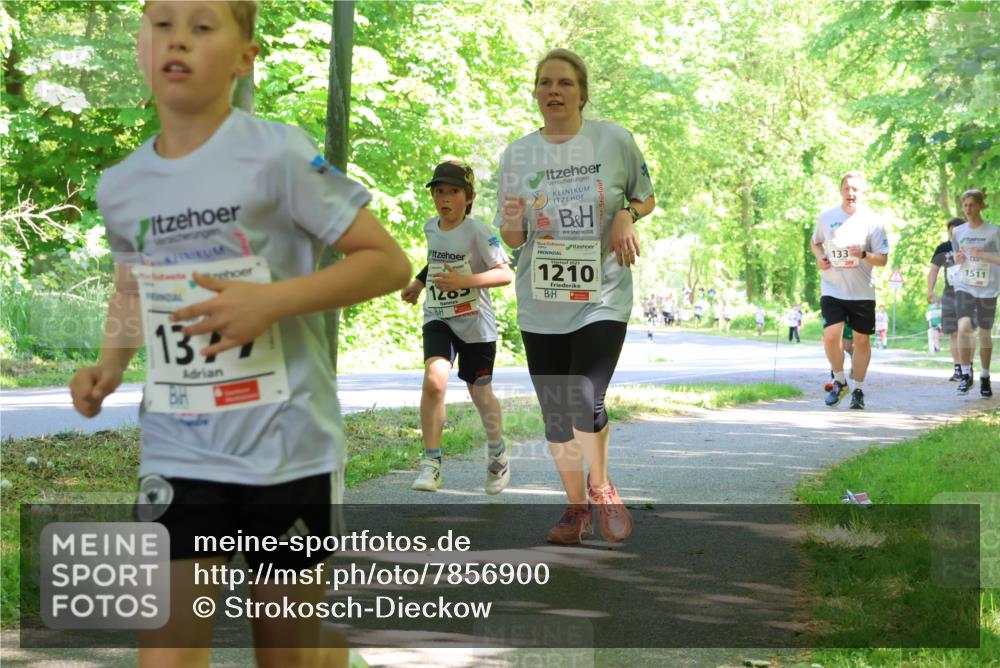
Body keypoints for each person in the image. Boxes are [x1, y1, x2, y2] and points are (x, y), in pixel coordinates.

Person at [68, 2, 410, 665]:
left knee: (286, 655)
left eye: (202, 27)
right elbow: (132, 285)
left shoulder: (279, 154)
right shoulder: (121, 186)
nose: (178, 40)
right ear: (140, 46)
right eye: (162, 24)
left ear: (245, 58)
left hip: (287, 448)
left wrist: (271, 302)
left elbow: (387, 262)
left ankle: (328, 654)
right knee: (165, 657)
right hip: (178, 450)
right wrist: (110, 365)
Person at [496, 48, 655, 544]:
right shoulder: (518, 155)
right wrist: (514, 219)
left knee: (584, 396)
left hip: (602, 293)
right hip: (541, 298)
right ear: (535, 93)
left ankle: (601, 486)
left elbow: (645, 195)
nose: (554, 91)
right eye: (545, 83)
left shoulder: (614, 141)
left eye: (565, 83)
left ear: (582, 94)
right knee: (556, 411)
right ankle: (575, 509)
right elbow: (512, 238)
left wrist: (627, 214)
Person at [400, 161, 513, 493]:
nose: (444, 198)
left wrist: (465, 281)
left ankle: (498, 454)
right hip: (439, 316)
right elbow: (437, 259)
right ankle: (431, 463)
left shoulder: (480, 232)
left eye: (453, 192)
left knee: (480, 393)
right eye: (439, 191)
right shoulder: (430, 227)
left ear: (469, 197)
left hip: (476, 323)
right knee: (435, 380)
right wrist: (419, 282)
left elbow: (505, 274)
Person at [811, 171, 889, 410]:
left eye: (855, 189)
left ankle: (858, 390)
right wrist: (820, 257)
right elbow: (815, 242)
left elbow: (883, 259)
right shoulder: (827, 217)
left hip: (861, 291)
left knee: (861, 341)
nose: (850, 193)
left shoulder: (873, 222)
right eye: (846, 188)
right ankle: (840, 381)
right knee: (830, 336)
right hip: (832, 287)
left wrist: (863, 254)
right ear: (841, 191)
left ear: (863, 192)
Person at [952, 189, 1000, 397]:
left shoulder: (994, 232)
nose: (968, 209)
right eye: (965, 205)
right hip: (965, 285)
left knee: (984, 333)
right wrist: (958, 258)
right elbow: (955, 256)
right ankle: (965, 374)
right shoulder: (958, 232)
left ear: (981, 206)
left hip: (988, 288)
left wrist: (984, 255)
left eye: (972, 205)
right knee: (963, 327)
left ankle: (985, 376)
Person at [928, 217, 967, 380]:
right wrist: (930, 291)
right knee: (954, 333)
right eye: (951, 231)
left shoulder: (972, 247)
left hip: (968, 294)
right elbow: (934, 270)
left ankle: (967, 368)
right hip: (950, 294)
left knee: (966, 332)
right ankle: (958, 369)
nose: (954, 234)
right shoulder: (943, 248)